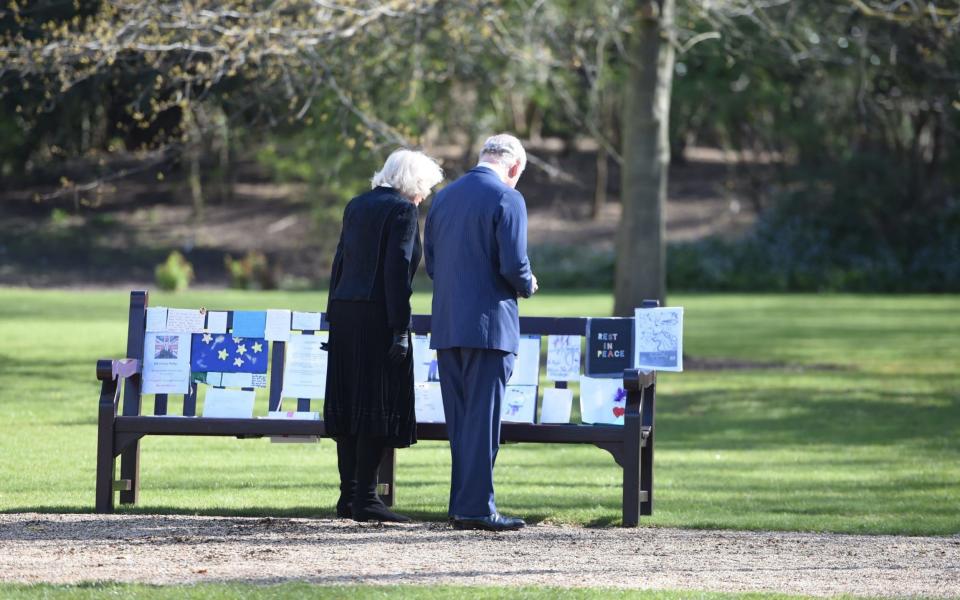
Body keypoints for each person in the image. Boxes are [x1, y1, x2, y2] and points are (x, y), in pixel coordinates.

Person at [423, 133, 538, 531]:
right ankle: (475, 509)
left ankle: (463, 505)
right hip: (490, 328)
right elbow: (513, 263)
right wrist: (527, 284)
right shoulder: (508, 198)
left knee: (461, 422)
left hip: (449, 324)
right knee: (483, 422)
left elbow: (433, 264)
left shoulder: (444, 198)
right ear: (515, 166)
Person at [325, 148, 443, 523]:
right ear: (412, 182)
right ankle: (366, 498)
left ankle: (348, 496)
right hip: (378, 316)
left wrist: (333, 314)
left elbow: (339, 262)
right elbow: (396, 273)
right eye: (424, 185)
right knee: (376, 404)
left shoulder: (356, 205)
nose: (424, 195)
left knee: (349, 404)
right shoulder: (402, 211)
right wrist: (400, 329)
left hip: (345, 311)